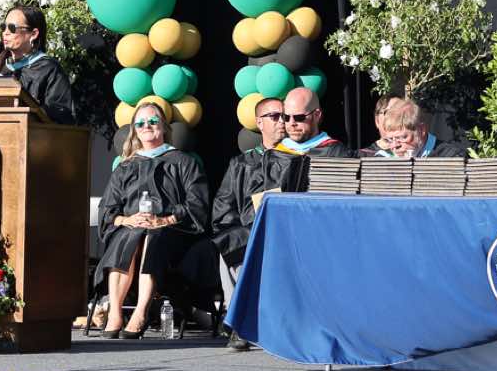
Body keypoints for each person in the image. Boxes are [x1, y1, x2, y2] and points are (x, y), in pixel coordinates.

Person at [95, 104, 210, 339]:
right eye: (140, 123)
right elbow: (108, 209)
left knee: (152, 236)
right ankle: (115, 312)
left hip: (173, 231)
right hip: (131, 228)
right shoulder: (126, 166)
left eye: (153, 121)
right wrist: (127, 219)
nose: (146, 126)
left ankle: (141, 311)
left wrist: (165, 219)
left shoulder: (183, 162)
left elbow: (197, 203)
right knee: (129, 235)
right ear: (135, 131)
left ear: (164, 127)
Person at [209, 97, 293, 349]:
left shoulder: (296, 159)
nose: (282, 121)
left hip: (284, 230)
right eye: (274, 116)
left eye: (284, 116)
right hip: (247, 229)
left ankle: (239, 322)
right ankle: (240, 319)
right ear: (259, 122)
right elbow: (223, 206)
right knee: (228, 240)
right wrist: (244, 225)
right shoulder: (241, 163)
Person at [0, 4, 77, 125]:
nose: (5, 33)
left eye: (12, 28)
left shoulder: (49, 69)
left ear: (33, 34)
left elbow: (61, 115)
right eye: (3, 27)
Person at [364, 95, 466, 158]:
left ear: (421, 130)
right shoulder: (380, 160)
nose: (394, 146)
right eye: (390, 139)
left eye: (402, 137)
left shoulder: (451, 158)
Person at [273, 87, 353, 158]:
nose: (291, 123)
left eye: (299, 117)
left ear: (317, 115)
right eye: (286, 117)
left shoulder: (336, 153)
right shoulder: (275, 155)